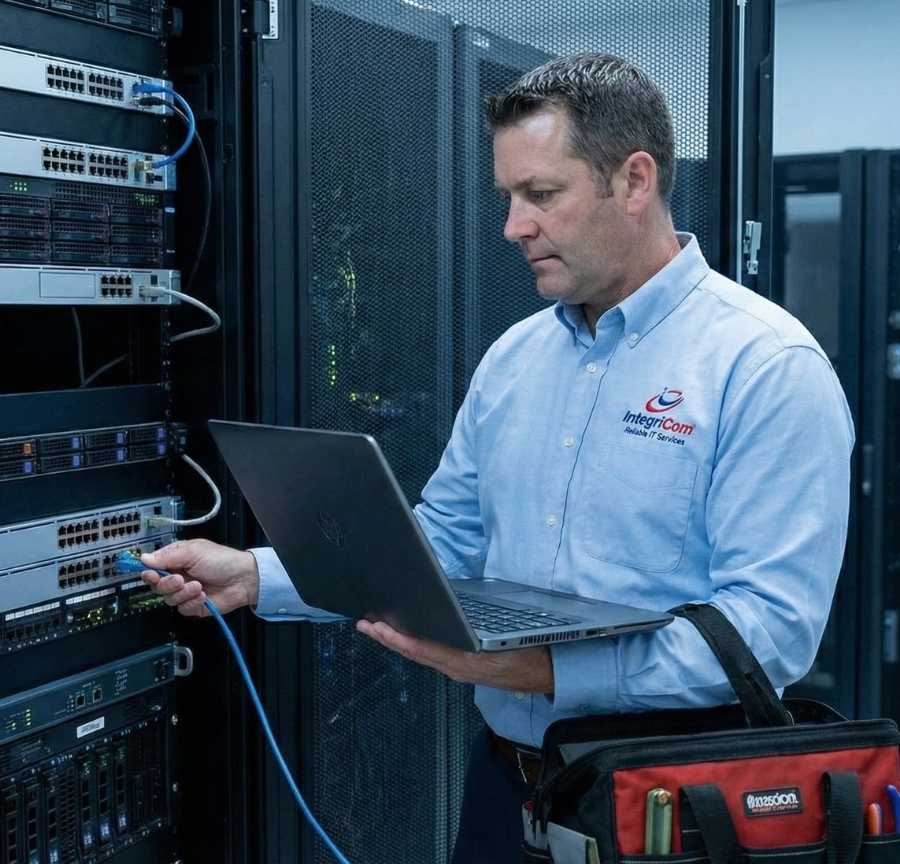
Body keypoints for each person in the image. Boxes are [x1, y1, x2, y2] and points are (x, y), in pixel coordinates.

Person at [139, 53, 854, 862]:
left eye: (541, 195)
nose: (513, 226)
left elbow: (766, 634)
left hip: (667, 804)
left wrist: (544, 671)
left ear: (635, 180)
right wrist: (256, 576)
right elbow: (441, 545)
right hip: (505, 788)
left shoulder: (763, 366)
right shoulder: (516, 358)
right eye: (508, 198)